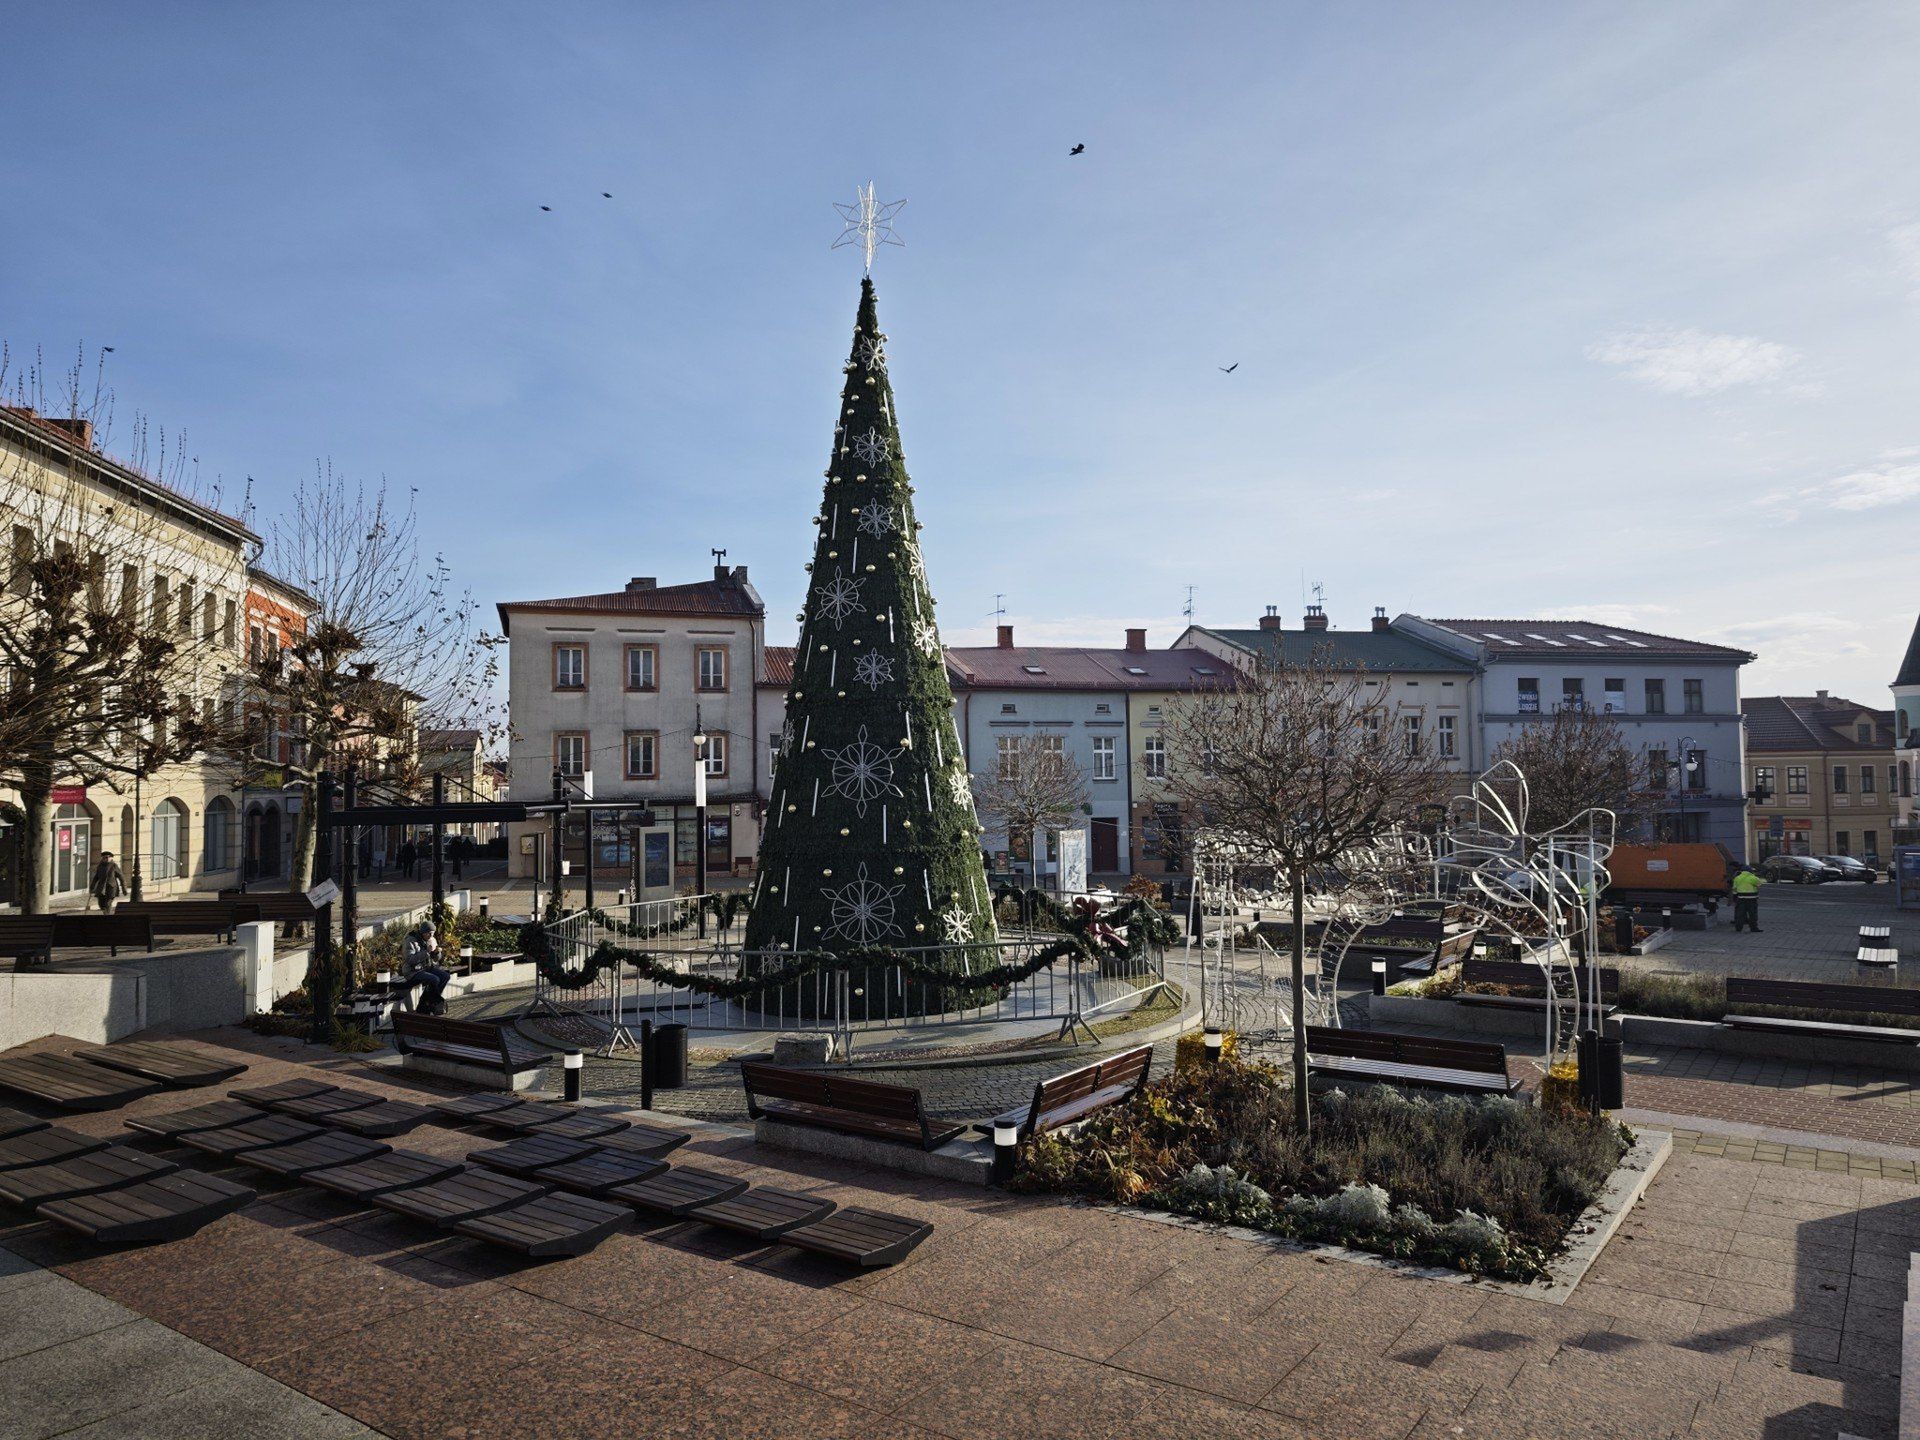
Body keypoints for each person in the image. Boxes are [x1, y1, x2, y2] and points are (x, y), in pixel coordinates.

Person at [401, 919, 451, 1015]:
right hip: (412, 971)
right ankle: (427, 1005)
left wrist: (437, 953)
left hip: (425, 968)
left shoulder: (430, 940)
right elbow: (410, 960)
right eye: (429, 933)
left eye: (432, 933)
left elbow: (436, 959)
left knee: (445, 976)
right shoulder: (411, 941)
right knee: (434, 979)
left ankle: (428, 1003)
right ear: (423, 932)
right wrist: (426, 952)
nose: (431, 936)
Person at [1731, 862, 1766, 934]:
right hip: (1752, 899)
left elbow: (1734, 889)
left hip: (1741, 898)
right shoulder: (1753, 878)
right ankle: (1753, 928)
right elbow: (1759, 884)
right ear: (1750, 871)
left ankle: (1738, 928)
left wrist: (1735, 897)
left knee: (1740, 914)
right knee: (1752, 914)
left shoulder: (1737, 878)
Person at [89, 850, 125, 915]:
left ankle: (107, 917)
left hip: (111, 888)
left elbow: (121, 877)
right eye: (105, 857)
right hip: (101, 888)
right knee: (101, 903)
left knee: (108, 903)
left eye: (109, 857)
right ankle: (105, 913)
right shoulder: (100, 866)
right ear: (102, 858)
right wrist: (92, 886)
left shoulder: (114, 866)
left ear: (111, 858)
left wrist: (124, 889)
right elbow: (96, 877)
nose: (107, 859)